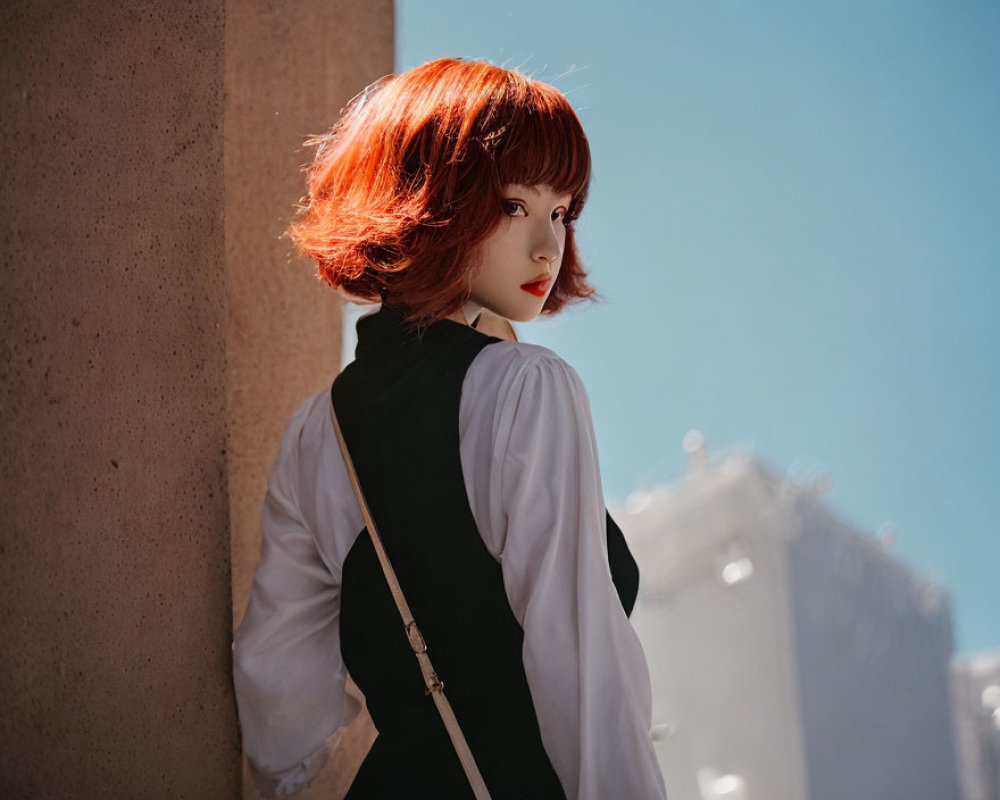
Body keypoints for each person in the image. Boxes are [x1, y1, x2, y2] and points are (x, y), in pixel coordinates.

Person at [231, 57, 668, 799]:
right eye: (512, 206)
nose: (547, 247)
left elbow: (281, 716)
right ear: (425, 202)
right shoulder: (527, 390)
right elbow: (583, 667)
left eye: (559, 211)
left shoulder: (316, 432)